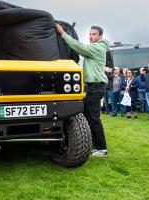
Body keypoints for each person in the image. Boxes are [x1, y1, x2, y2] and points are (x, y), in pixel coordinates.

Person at [55, 24, 109, 157]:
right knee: (86, 115)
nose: (91, 36)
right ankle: (91, 144)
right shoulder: (95, 47)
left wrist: (63, 33)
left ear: (100, 36)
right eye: (90, 34)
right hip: (92, 87)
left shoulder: (98, 47)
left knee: (93, 118)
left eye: (94, 34)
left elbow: (79, 47)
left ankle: (102, 148)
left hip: (96, 87)